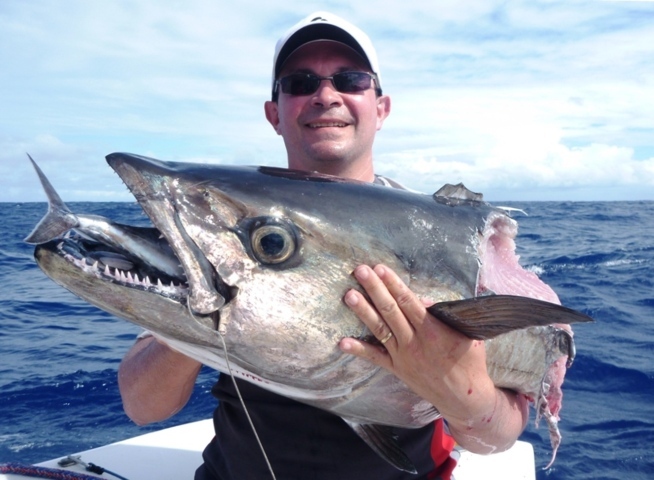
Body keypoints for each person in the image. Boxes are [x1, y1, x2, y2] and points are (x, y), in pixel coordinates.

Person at [118, 12, 531, 479]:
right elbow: (143, 405)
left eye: (350, 80)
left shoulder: (447, 238)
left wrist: (463, 392)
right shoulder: (224, 225)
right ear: (275, 113)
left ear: (382, 107)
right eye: (300, 82)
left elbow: (498, 437)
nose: (326, 95)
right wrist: (210, 306)